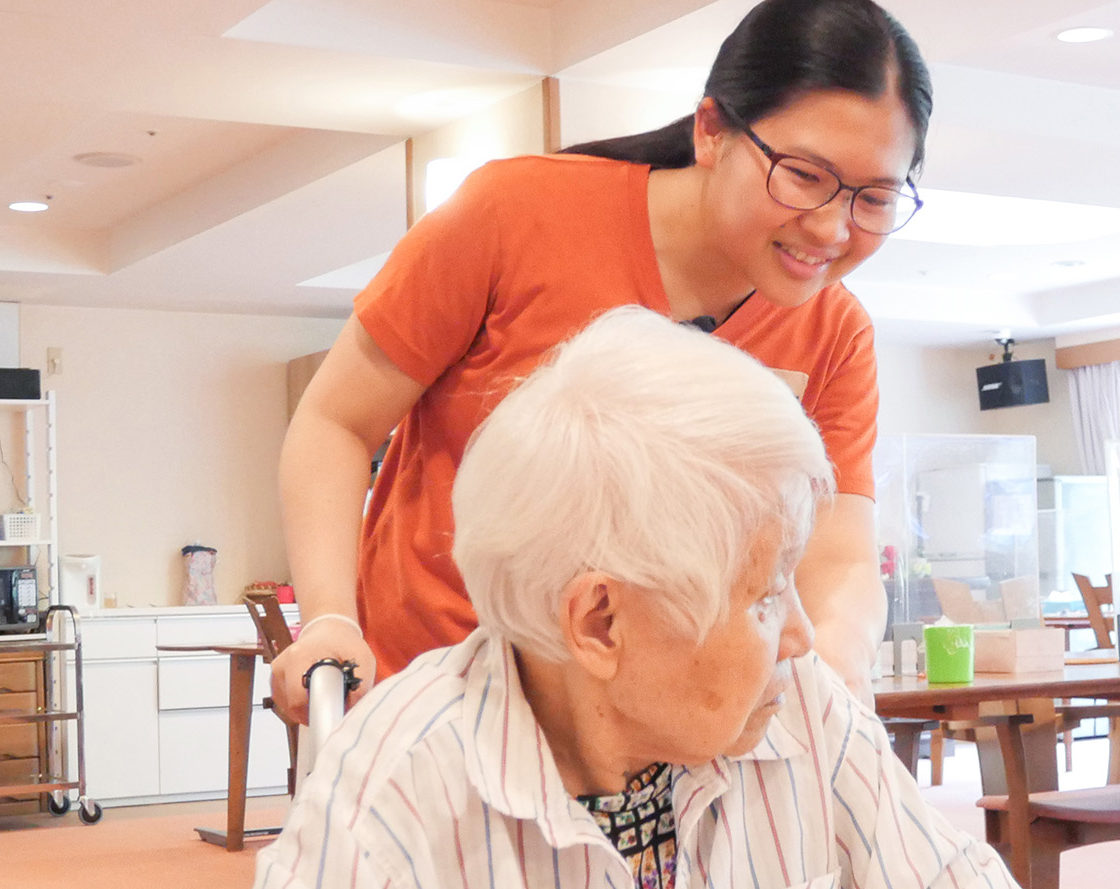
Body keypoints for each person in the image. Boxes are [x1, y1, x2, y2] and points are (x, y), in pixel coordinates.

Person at [271, 0, 934, 722]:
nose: (833, 227)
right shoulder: (515, 215)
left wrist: (837, 670)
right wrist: (331, 618)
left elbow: (835, 560)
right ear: (712, 131)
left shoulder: (835, 334)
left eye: (873, 198)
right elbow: (335, 422)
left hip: (659, 729)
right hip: (437, 699)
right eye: (804, 175)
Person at [254, 309, 1016, 889]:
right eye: (764, 597)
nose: (803, 638)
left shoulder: (803, 708)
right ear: (600, 623)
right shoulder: (391, 799)